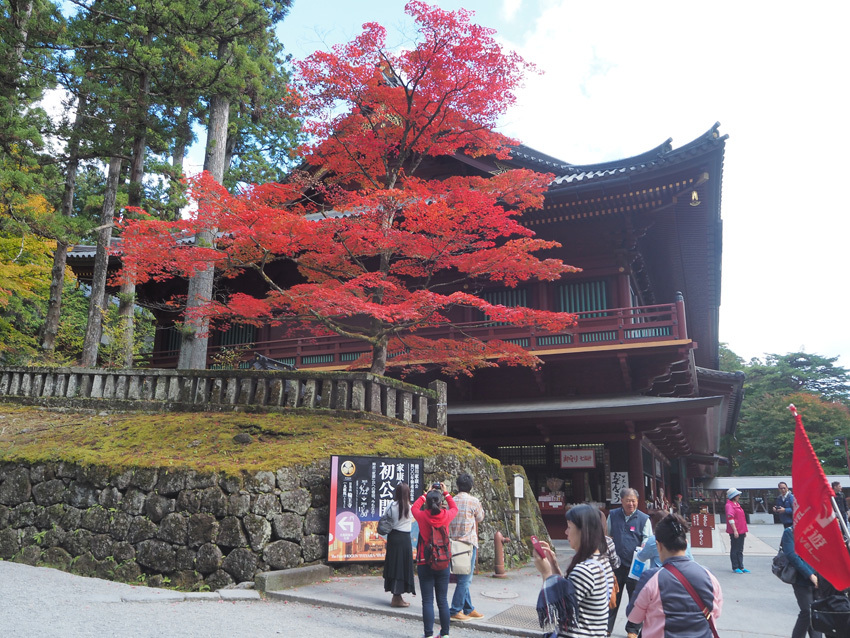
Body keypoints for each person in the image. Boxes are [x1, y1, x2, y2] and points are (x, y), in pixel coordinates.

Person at [626, 514, 723, 637]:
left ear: (658, 545)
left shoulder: (651, 578)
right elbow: (716, 612)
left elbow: (634, 617)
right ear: (686, 543)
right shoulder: (709, 575)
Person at [534, 504, 614, 637]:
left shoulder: (585, 571)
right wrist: (554, 565)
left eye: (569, 527)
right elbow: (568, 594)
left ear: (583, 531)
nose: (566, 532)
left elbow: (560, 610)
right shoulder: (601, 562)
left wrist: (546, 572)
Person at [412, 482, 458, 638]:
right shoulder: (446, 516)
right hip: (443, 561)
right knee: (443, 601)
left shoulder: (422, 516)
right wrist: (446, 493)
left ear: (427, 503)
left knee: (427, 601)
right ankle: (445, 634)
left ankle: (429, 635)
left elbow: (414, 508)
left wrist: (425, 493)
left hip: (425, 561)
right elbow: (455, 508)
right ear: (440, 503)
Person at [607, 487, 652, 636]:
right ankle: (607, 629)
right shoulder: (613, 515)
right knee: (612, 598)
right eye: (628, 501)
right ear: (621, 501)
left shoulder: (644, 519)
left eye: (633, 501)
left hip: (635, 567)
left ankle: (632, 630)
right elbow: (608, 536)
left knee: (636, 599)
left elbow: (647, 539)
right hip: (616, 565)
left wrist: (643, 548)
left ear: (638, 501)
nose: (631, 504)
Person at [448, 472, 485, 622]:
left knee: (463, 576)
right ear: (471, 486)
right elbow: (480, 517)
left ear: (457, 486)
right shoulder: (474, 501)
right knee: (465, 579)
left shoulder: (450, 501)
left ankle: (468, 608)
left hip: (454, 544)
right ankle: (456, 609)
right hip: (468, 543)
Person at [781, 524, 824, 638]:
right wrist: (810, 575)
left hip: (820, 577)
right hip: (802, 579)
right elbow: (793, 556)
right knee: (807, 611)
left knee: (816, 612)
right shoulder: (789, 532)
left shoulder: (818, 530)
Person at [383, 482, 416, 608]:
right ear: (408, 493)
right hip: (405, 539)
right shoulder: (410, 507)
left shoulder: (391, 505)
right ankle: (397, 597)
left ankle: (396, 595)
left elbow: (385, 518)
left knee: (394, 565)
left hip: (393, 538)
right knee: (403, 567)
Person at [725, 487, 749, 573]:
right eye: (737, 495)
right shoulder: (729, 505)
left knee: (740, 549)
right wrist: (735, 530)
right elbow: (730, 518)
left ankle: (741, 566)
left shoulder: (737, 504)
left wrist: (744, 531)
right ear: (733, 496)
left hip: (741, 529)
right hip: (735, 530)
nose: (739, 496)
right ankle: (735, 566)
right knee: (735, 548)